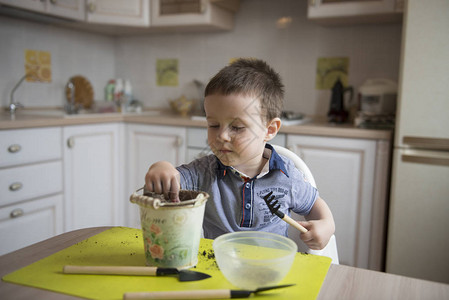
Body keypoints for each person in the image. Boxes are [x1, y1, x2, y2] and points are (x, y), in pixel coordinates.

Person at [145, 58, 335, 250]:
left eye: (236, 127)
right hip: (217, 267)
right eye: (213, 125)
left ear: (269, 130)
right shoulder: (204, 172)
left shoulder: (286, 176)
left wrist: (327, 224)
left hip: (270, 270)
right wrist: (161, 167)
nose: (222, 135)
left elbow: (313, 207)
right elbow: (173, 181)